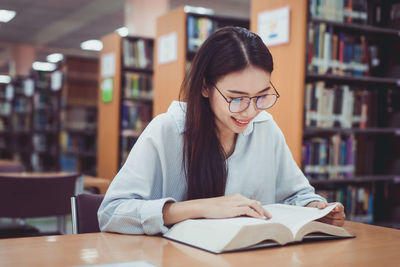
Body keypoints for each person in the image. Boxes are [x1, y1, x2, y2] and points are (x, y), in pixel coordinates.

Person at [98, 26, 345, 235]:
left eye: (261, 97)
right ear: (205, 87)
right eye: (236, 98)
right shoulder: (167, 130)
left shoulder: (265, 128)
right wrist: (200, 208)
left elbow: (297, 194)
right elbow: (111, 213)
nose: (249, 112)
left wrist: (317, 207)